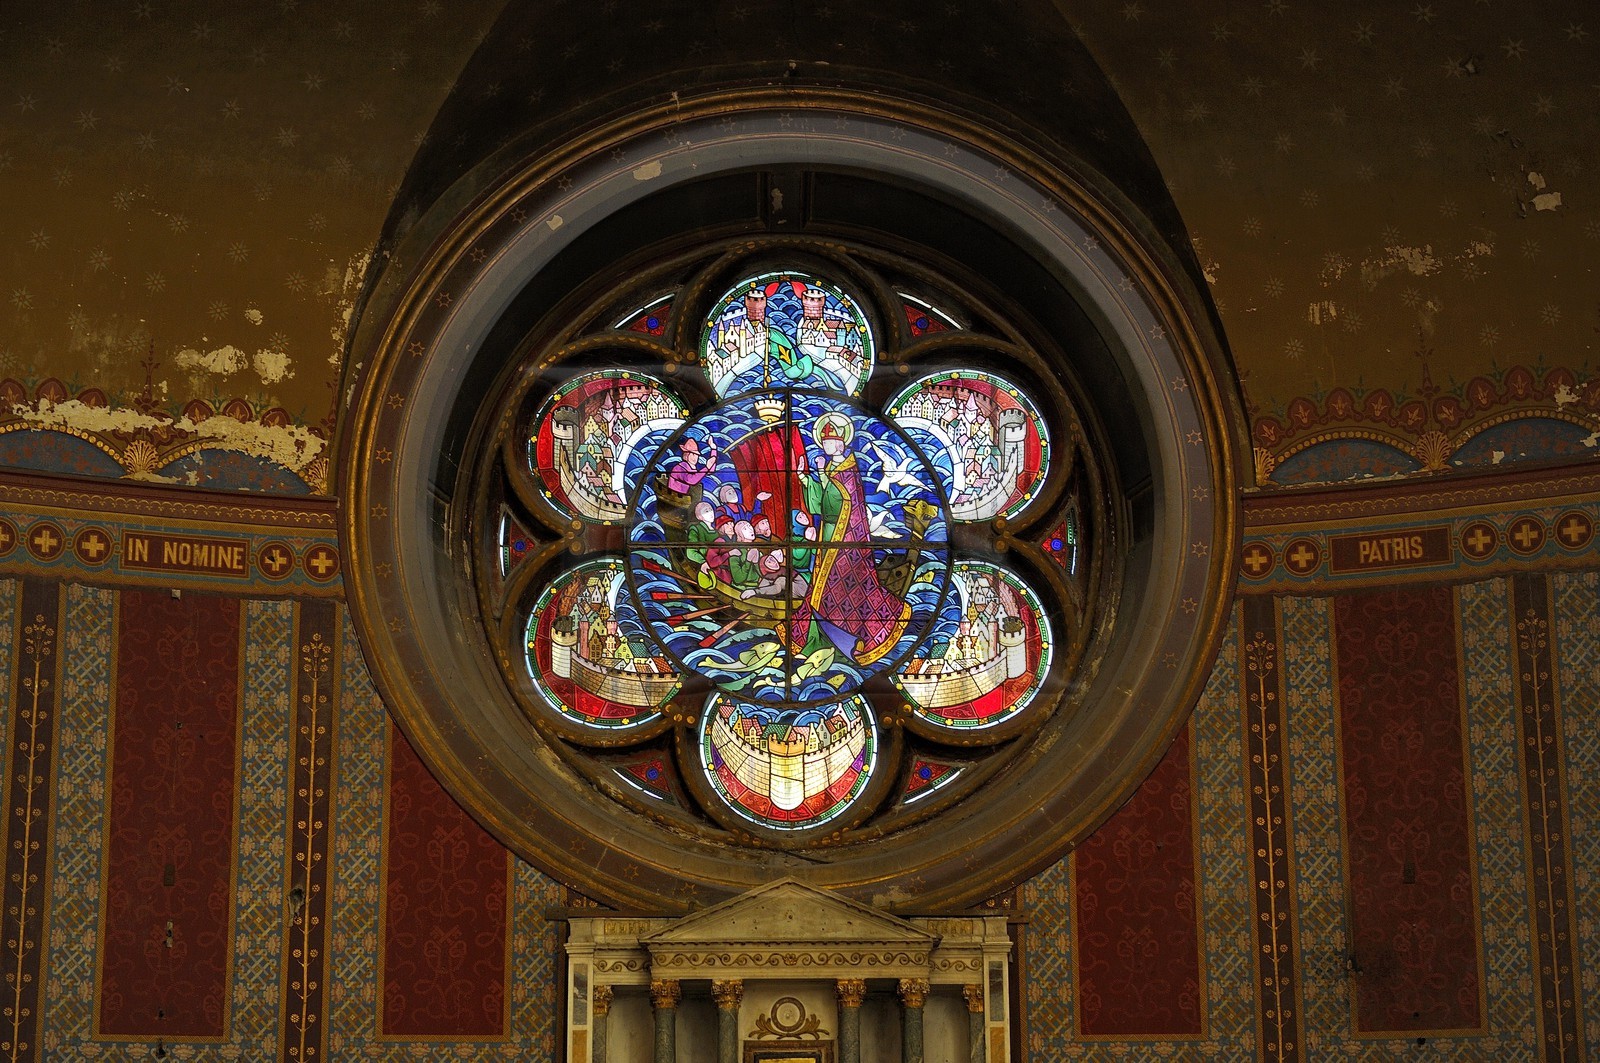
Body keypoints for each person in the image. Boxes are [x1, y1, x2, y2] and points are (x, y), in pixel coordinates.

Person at [790, 411, 909, 664]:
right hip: (828, 534)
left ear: (842, 442)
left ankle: (846, 639)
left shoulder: (849, 468)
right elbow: (820, 503)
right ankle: (817, 640)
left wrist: (822, 475)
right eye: (824, 443)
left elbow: (844, 501)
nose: (827, 446)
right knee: (819, 588)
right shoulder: (832, 468)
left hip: (846, 539)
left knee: (835, 588)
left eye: (831, 442)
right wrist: (805, 477)